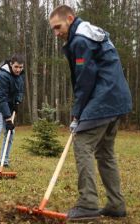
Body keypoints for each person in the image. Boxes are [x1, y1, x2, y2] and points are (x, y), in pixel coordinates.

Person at [49, 5, 132, 221]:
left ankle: (88, 204)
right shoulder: (88, 33)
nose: (56, 33)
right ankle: (116, 205)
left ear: (70, 18)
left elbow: (85, 79)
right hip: (116, 98)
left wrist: (77, 113)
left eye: (58, 27)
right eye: (53, 29)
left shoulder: (81, 40)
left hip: (104, 98)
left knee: (82, 144)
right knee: (105, 152)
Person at [0, 53, 25, 172]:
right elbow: (1, 98)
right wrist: (8, 118)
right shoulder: (2, 75)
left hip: (8, 105)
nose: (18, 70)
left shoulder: (20, 76)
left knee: (10, 132)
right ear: (11, 64)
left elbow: (20, 91)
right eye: (16, 67)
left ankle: (4, 160)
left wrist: (17, 102)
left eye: (21, 67)